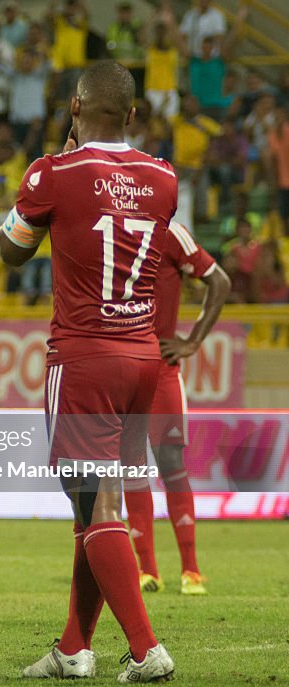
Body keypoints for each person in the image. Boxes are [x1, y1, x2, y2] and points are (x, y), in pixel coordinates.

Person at [0, 60, 177, 682]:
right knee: (94, 507)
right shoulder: (164, 178)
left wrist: (42, 177)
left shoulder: (53, 173)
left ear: (74, 108)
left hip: (83, 359)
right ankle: (74, 648)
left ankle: (145, 649)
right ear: (131, 114)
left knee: (97, 507)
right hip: (143, 360)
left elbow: (11, 253)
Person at [125, 223, 230, 596]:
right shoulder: (106, 228)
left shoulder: (169, 232)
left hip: (162, 368)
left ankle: (191, 569)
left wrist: (193, 340)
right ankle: (147, 571)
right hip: (122, 370)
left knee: (170, 462)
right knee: (132, 465)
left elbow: (219, 280)